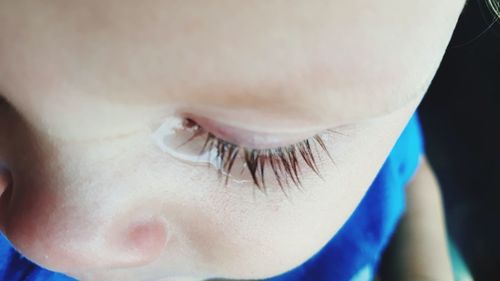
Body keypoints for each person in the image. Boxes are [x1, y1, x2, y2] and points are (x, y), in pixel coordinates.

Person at [0, 1, 482, 280]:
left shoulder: (359, 145)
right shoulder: (329, 114)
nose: (57, 243)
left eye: (250, 149)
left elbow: (410, 175)